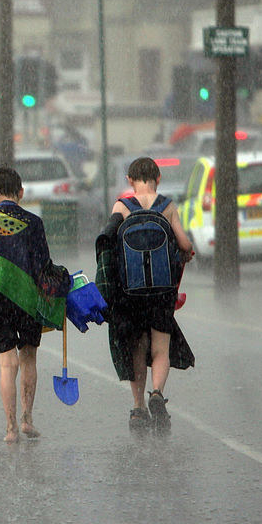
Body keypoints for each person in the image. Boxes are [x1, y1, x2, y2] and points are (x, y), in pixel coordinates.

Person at [0, 167, 68, 443]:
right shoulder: (34, 222)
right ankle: (27, 418)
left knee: (7, 365)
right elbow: (43, 266)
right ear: (21, 192)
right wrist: (62, 282)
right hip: (29, 300)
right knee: (28, 358)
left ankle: (10, 428)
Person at [108, 157, 194, 433]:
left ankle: (137, 408)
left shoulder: (122, 206)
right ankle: (157, 393)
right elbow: (184, 243)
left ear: (130, 180)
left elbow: (108, 243)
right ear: (158, 176)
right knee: (160, 348)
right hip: (162, 288)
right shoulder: (167, 207)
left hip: (130, 290)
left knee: (136, 347)